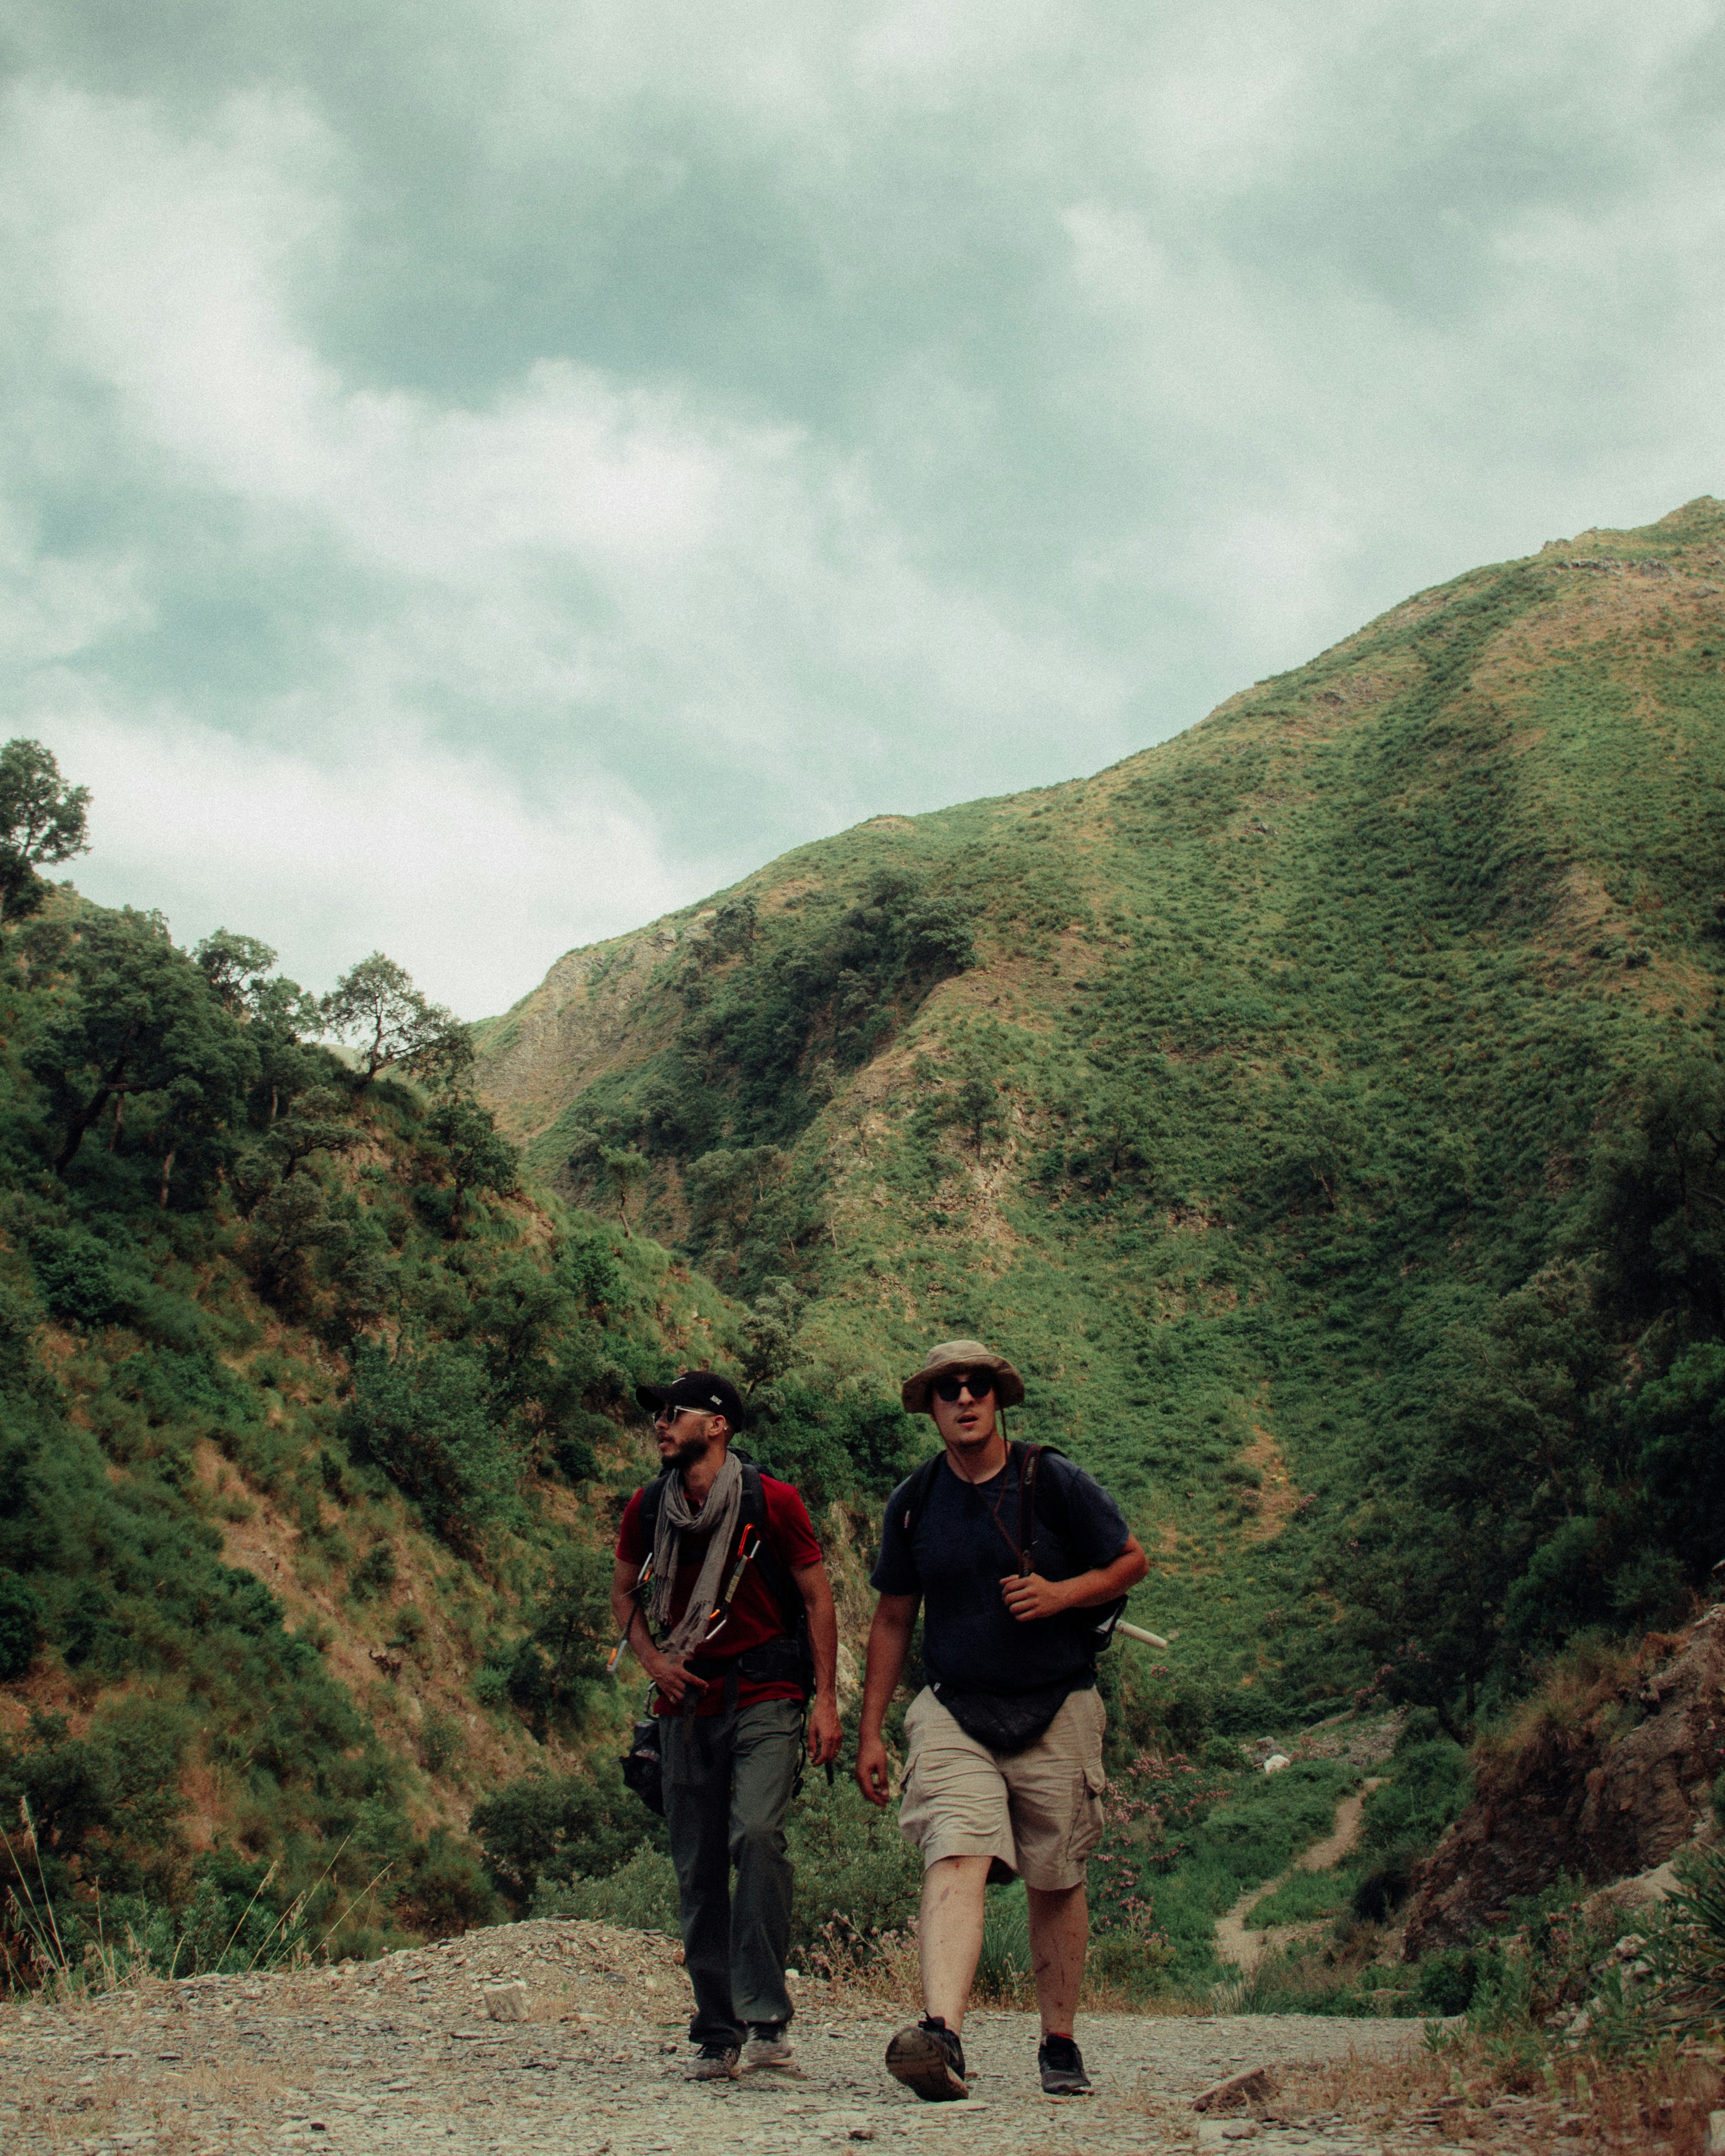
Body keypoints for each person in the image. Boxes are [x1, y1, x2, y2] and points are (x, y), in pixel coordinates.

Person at [855, 1340, 1148, 2102]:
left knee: (1057, 1874)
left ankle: (1059, 2042)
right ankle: (941, 2036)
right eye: (948, 1389)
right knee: (955, 1849)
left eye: (977, 1385)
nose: (964, 1398)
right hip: (954, 1706)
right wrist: (870, 1731)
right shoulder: (914, 1500)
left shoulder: (1052, 1479)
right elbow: (893, 1617)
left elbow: (1129, 1561)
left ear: (997, 1398)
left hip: (1057, 1699)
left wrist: (1061, 1595)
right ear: (930, 1408)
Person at [611, 1370, 842, 2082]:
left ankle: (765, 2016)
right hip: (685, 1703)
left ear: (717, 1425)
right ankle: (718, 2029)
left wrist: (826, 1701)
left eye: (673, 1413)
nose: (660, 1424)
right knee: (698, 1866)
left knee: (758, 1836)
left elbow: (817, 1598)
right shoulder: (649, 1506)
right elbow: (623, 1593)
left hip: (766, 1692)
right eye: (657, 1414)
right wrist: (654, 1664)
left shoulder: (772, 1501)